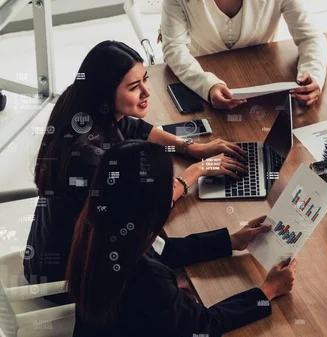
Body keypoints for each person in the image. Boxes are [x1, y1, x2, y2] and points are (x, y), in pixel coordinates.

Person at [24, 41, 248, 302]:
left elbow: (135, 127)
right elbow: (148, 208)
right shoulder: (88, 161)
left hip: (56, 253)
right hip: (70, 281)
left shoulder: (82, 107)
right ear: (106, 94)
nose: (146, 92)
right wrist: (197, 171)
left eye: (145, 79)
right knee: (206, 287)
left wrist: (191, 148)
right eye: (133, 87)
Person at [65, 140, 297, 336]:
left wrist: (232, 241)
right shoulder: (147, 277)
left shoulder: (100, 228)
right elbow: (203, 326)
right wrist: (267, 291)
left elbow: (164, 250)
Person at [160, 0, 327, 109]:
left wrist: (313, 74)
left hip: (266, 86)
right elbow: (174, 49)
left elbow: (311, 37)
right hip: (201, 82)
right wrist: (207, 85)